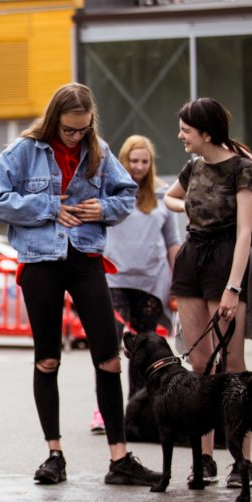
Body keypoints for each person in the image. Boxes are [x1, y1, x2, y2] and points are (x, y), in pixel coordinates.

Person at [0, 82, 160, 487]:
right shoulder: (24, 150)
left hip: (86, 259)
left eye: (82, 129)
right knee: (48, 359)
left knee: (109, 356)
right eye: (68, 130)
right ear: (54, 121)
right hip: (41, 261)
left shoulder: (100, 151)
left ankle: (120, 459)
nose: (76, 137)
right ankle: (54, 455)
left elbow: (126, 195)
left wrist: (104, 207)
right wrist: (47, 207)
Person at [163, 97, 252, 487]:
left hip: (226, 260)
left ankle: (243, 459)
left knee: (232, 363)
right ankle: (204, 459)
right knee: (200, 364)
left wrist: (233, 287)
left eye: (186, 130)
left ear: (205, 132)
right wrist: (188, 205)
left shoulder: (243, 169)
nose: (180, 135)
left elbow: (245, 233)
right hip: (192, 258)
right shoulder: (193, 167)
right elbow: (169, 197)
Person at [93, 135, 181, 434]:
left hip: (151, 281)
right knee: (110, 345)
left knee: (144, 348)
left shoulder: (161, 195)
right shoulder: (109, 190)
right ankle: (105, 410)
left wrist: (177, 281)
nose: (139, 167)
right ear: (123, 160)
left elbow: (172, 241)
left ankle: (139, 408)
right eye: (133, 161)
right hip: (114, 278)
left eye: (144, 161)